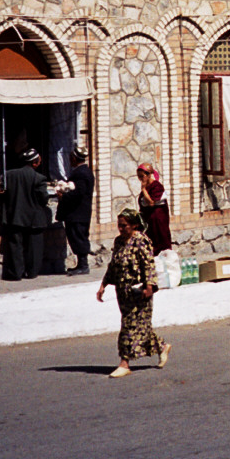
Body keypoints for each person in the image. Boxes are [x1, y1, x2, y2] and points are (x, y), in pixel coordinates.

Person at [96, 208, 169, 378]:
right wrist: (103, 284)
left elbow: (148, 264)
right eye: (119, 225)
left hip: (139, 291)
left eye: (124, 225)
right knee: (141, 327)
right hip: (123, 291)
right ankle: (162, 347)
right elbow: (113, 265)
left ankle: (124, 363)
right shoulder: (119, 241)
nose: (121, 229)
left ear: (134, 225)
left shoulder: (141, 241)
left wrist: (149, 286)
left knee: (128, 326)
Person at [0, 148, 51, 280]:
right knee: (34, 248)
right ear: (35, 163)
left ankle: (16, 274)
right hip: (34, 219)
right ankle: (32, 272)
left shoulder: (9, 175)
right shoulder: (39, 178)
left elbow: (0, 192)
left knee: (15, 247)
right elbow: (43, 199)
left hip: (15, 217)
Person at [56, 143, 94, 275]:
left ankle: (83, 265)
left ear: (74, 158)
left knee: (78, 237)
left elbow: (79, 193)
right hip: (79, 213)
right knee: (76, 237)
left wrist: (63, 196)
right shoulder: (84, 171)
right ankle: (81, 264)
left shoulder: (81, 173)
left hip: (77, 213)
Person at [135, 163, 172, 255]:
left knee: (160, 244)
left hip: (158, 221)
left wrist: (143, 189)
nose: (140, 179)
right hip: (149, 221)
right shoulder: (147, 186)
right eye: (139, 177)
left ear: (148, 175)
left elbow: (151, 203)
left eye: (142, 176)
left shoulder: (156, 186)